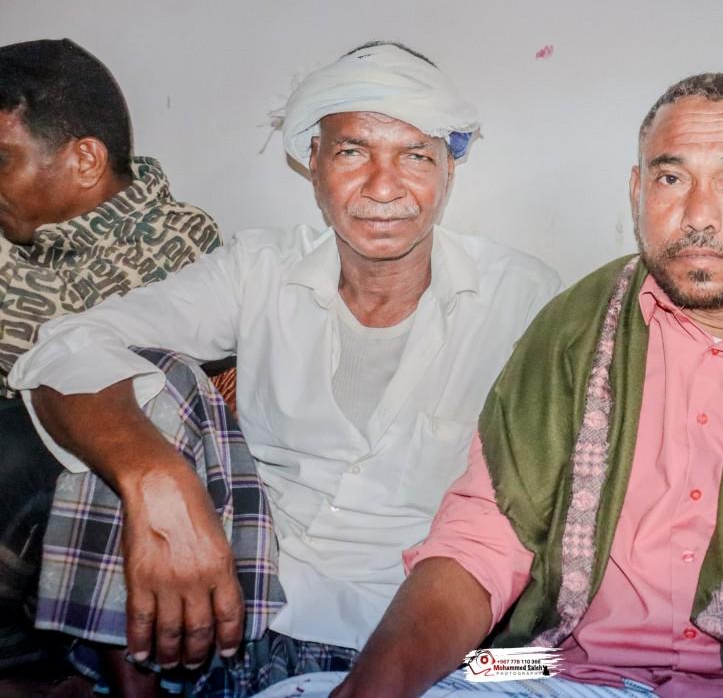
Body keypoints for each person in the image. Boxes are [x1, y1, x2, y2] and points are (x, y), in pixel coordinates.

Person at [331, 73, 723, 698]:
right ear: (637, 192)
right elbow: (481, 541)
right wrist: (374, 688)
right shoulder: (572, 328)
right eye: (671, 179)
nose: (699, 217)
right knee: (313, 690)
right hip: (551, 670)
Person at [8, 41, 560, 695]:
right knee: (142, 379)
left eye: (416, 155)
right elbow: (66, 347)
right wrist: (154, 477)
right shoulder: (258, 269)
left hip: (422, 638)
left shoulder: (523, 298)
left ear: (448, 168)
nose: (384, 187)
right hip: (243, 611)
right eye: (353, 152)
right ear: (314, 161)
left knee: (558, 668)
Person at [0, 38, 220, 674]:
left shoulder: (179, 241)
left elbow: (64, 361)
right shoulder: (20, 239)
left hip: (78, 471)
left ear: (86, 160)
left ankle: (39, 671)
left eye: (2, 160)